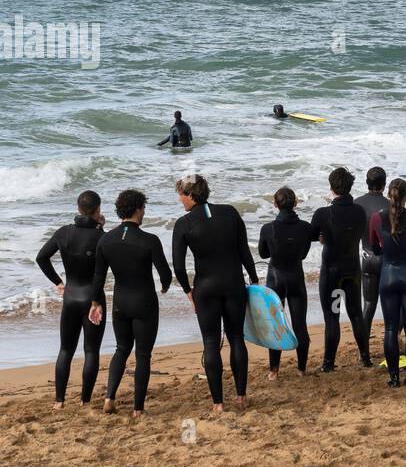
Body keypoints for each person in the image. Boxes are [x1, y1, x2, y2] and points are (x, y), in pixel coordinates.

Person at [172, 174, 259, 410]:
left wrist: (188, 290)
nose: (180, 200)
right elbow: (244, 252)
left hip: (205, 288)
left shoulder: (184, 223)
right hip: (233, 284)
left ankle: (218, 403)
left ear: (190, 195)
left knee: (210, 342)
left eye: (181, 194)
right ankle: (241, 397)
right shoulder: (230, 213)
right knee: (236, 338)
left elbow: (178, 266)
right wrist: (254, 280)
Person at [89, 189, 172, 417]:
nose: (144, 212)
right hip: (144, 302)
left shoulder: (105, 240)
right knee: (143, 355)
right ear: (137, 209)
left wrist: (96, 302)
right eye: (143, 208)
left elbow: (98, 277)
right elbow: (165, 274)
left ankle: (109, 398)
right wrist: (164, 286)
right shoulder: (150, 241)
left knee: (121, 349)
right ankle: (137, 409)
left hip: (120, 303)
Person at [35, 190, 107, 409]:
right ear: (97, 211)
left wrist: (58, 282)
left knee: (66, 349)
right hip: (93, 299)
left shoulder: (64, 233)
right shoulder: (101, 237)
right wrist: (101, 228)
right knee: (91, 350)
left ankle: (59, 401)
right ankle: (85, 401)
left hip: (71, 297)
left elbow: (41, 257)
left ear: (78, 209)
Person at [309, 167, 372, 371]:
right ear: (350, 186)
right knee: (355, 314)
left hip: (332, 273)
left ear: (331, 187)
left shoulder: (323, 213)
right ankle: (365, 358)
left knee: (332, 316)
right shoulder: (359, 211)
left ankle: (328, 363)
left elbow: (313, 236)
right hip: (352, 271)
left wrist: (323, 237)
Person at [368, 178, 406, 387]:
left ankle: (394, 378)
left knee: (391, 329)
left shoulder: (376, 218)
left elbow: (375, 249)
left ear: (388, 196)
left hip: (388, 275)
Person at [257, 186, 313, 379]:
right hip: (296, 277)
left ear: (275, 204)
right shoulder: (306, 228)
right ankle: (301, 369)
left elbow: (263, 253)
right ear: (296, 203)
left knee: (275, 325)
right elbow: (304, 254)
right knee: (300, 325)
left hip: (275, 278)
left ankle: (274, 371)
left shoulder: (267, 228)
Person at [357, 166, 389, 352]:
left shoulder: (357, 204)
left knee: (368, 305)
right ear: (384, 184)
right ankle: (393, 342)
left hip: (366, 258)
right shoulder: (391, 205)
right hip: (386, 259)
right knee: (390, 305)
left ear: (367, 183)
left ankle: (364, 351)